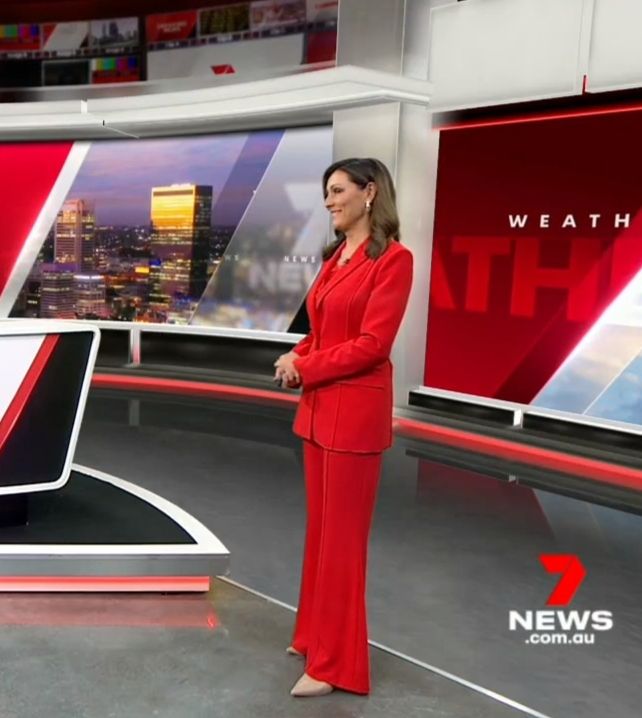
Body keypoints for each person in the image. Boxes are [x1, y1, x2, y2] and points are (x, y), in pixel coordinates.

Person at [274, 157, 413, 698]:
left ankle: (337, 666)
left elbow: (373, 345)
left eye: (337, 191)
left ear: (369, 192)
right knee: (321, 535)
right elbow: (326, 330)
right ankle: (313, 636)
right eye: (326, 192)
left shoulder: (394, 261)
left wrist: (306, 366)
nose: (329, 201)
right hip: (318, 412)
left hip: (353, 418)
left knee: (342, 544)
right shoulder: (336, 257)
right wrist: (298, 353)